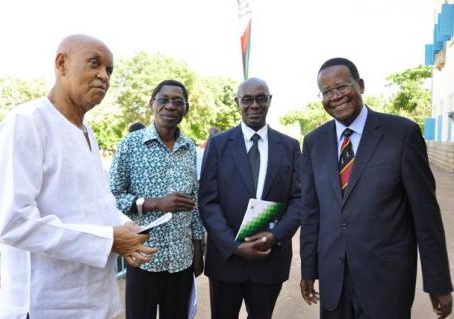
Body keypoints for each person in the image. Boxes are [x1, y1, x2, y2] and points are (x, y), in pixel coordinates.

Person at [0, 34, 157, 319]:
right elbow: (12, 222)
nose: (104, 76)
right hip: (45, 306)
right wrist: (109, 241)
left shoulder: (86, 132)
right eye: (94, 63)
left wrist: (127, 228)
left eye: (109, 70)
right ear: (61, 63)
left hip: (92, 301)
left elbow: (97, 204)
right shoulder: (26, 123)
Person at [300, 57, 453, 319]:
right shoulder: (314, 142)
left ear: (360, 85)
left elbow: (425, 215)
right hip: (334, 280)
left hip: (386, 283)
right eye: (326, 92)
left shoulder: (402, 134)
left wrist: (437, 281)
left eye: (342, 87)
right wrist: (308, 270)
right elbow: (311, 212)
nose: (335, 97)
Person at [199, 77, 302, 319]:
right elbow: (207, 201)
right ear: (237, 102)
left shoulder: (289, 146)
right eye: (247, 99)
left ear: (269, 101)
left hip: (270, 258)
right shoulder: (217, 145)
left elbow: (299, 199)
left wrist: (276, 236)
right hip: (227, 260)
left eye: (260, 98)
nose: (254, 105)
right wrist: (234, 246)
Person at [110, 79, 204, 319]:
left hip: (181, 262)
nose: (170, 106)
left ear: (186, 109)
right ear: (152, 104)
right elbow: (113, 198)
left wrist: (197, 249)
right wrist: (156, 203)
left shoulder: (190, 147)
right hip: (143, 258)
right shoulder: (130, 145)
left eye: (178, 101)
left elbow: (193, 203)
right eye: (163, 100)